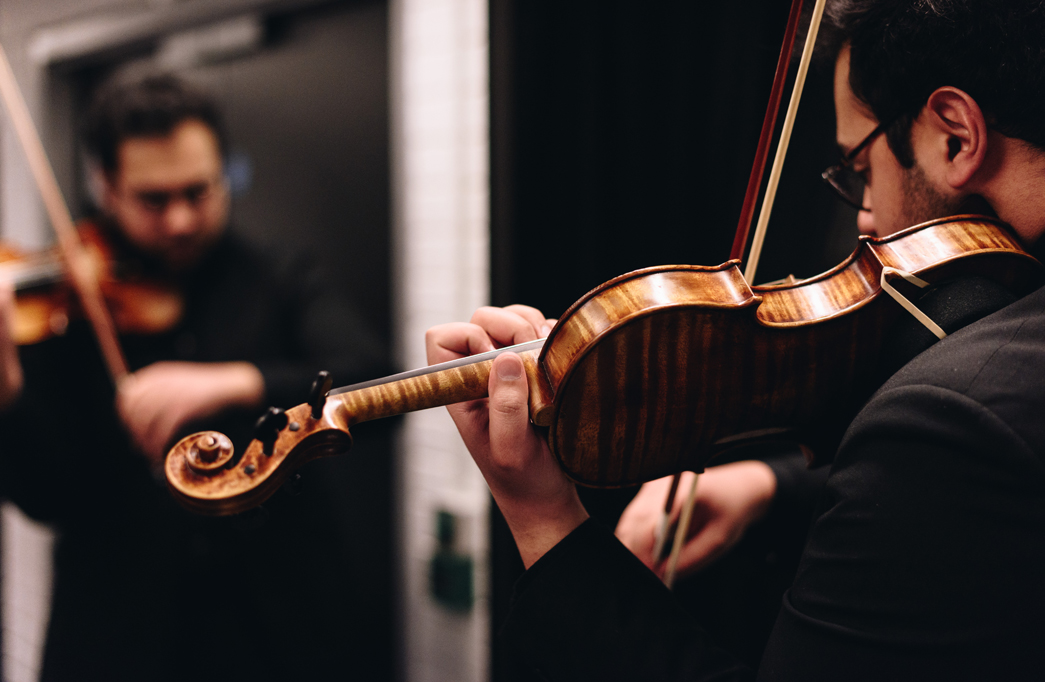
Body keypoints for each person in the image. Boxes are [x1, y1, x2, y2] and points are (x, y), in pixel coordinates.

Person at [425, 1, 1045, 679]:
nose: (865, 218)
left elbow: (952, 474)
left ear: (954, 136)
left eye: (859, 167)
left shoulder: (952, 415)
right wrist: (771, 485)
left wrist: (542, 518)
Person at [0, 75, 389, 681]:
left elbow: (374, 383)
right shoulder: (64, 310)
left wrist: (236, 382)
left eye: (198, 191)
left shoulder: (280, 277)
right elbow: (44, 495)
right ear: (105, 186)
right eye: (153, 199)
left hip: (280, 638)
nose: (181, 219)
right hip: (119, 642)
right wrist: (6, 394)